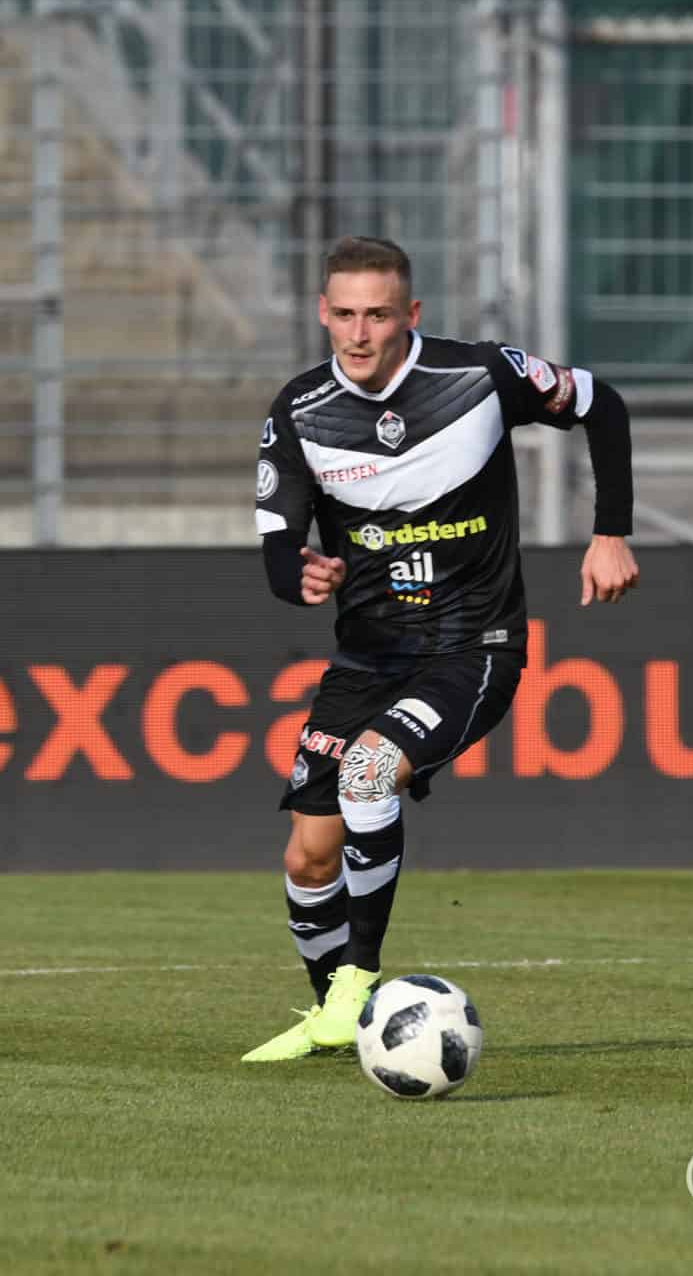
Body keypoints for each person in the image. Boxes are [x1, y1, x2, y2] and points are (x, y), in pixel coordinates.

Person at [243, 235, 639, 1062]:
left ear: (411, 313)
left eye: (378, 315)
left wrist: (610, 533)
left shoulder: (481, 375)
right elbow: (279, 543)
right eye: (345, 314)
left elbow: (601, 404)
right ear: (323, 313)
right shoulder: (300, 409)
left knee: (367, 772)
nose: (360, 333)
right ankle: (336, 1015)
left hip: (473, 644)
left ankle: (360, 979)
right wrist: (300, 575)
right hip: (367, 655)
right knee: (309, 857)